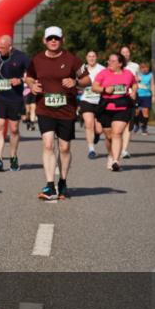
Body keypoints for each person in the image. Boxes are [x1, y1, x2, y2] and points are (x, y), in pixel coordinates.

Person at [25, 26, 90, 200]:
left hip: (66, 109)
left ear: (62, 40)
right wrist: (32, 85)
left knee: (64, 147)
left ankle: (62, 181)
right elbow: (29, 76)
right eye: (50, 38)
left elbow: (87, 79)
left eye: (57, 38)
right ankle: (49, 185)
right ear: (44, 41)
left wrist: (75, 81)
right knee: (47, 144)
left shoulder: (72, 59)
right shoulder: (37, 59)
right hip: (44, 108)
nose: (53, 41)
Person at [0, 35, 30, 172]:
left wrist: (21, 80)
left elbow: (31, 74)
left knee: (14, 129)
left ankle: (13, 157)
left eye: (2, 48)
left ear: (10, 47)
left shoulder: (22, 57)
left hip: (15, 98)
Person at [93, 52, 137, 171]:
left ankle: (116, 161)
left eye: (113, 61)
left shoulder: (128, 74)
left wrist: (133, 92)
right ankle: (111, 155)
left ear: (120, 63)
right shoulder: (103, 73)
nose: (109, 63)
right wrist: (104, 89)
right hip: (106, 107)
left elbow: (134, 84)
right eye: (109, 60)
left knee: (117, 133)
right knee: (109, 136)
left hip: (123, 107)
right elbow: (94, 87)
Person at [78, 50, 106, 159]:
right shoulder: (82, 70)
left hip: (99, 100)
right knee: (89, 124)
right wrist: (79, 86)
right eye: (89, 56)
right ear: (86, 58)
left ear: (97, 57)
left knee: (99, 129)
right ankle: (91, 150)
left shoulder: (102, 69)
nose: (91, 58)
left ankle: (97, 134)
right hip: (86, 99)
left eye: (93, 56)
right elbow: (78, 84)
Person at [119, 46, 140, 158]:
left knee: (129, 123)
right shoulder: (116, 65)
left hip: (131, 96)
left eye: (127, 52)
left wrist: (136, 81)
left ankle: (124, 149)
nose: (126, 54)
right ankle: (117, 145)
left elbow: (138, 79)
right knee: (118, 123)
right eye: (123, 52)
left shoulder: (135, 66)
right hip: (117, 97)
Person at [135, 62, 155, 135]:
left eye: (146, 68)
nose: (145, 69)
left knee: (145, 111)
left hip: (147, 95)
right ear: (140, 69)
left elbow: (152, 85)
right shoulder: (137, 75)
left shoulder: (151, 75)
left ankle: (144, 127)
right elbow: (133, 84)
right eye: (143, 68)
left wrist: (154, 96)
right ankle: (137, 124)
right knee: (136, 112)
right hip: (137, 95)